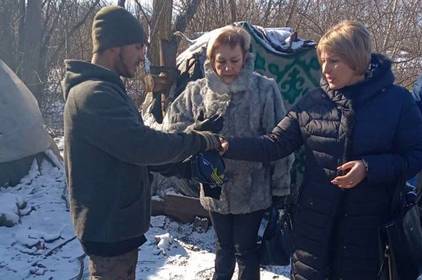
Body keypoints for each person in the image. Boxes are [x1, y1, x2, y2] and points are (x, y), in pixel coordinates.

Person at [221, 20, 422, 279]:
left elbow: (416, 155)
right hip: (313, 234)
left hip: (367, 235)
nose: (326, 69)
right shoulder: (314, 100)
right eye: (323, 60)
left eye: (334, 61)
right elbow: (274, 143)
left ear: (357, 60)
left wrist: (369, 168)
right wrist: (227, 145)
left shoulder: (397, 102)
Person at [62, 6, 222, 280]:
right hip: (109, 229)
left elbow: (127, 152)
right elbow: (142, 145)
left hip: (116, 227)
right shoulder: (94, 94)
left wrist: (180, 168)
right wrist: (199, 141)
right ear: (115, 45)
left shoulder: (107, 89)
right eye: (138, 47)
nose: (142, 57)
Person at [162, 25, 294, 280]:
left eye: (234, 60)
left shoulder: (264, 89)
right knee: (222, 248)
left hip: (252, 187)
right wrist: (196, 133)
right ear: (211, 59)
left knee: (245, 251)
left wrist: (280, 187)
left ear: (245, 57)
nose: (227, 66)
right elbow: (174, 129)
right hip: (214, 186)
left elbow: (280, 141)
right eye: (221, 60)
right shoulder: (197, 91)